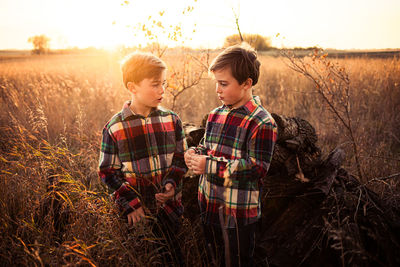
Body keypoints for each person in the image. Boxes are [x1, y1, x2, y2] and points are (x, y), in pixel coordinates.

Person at [184, 43, 277, 267]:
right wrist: (194, 154)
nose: (217, 89)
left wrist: (210, 166)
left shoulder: (262, 122)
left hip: (238, 214)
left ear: (247, 83)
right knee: (213, 258)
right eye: (216, 82)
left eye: (223, 84)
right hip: (209, 204)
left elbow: (257, 168)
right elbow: (207, 147)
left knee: (237, 260)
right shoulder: (216, 114)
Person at [98, 52, 187, 266]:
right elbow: (108, 171)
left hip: (169, 209)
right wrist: (132, 202)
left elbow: (180, 159)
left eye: (163, 84)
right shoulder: (115, 127)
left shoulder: (171, 119)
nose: (162, 90)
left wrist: (172, 185)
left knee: (173, 258)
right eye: (155, 84)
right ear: (133, 87)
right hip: (134, 215)